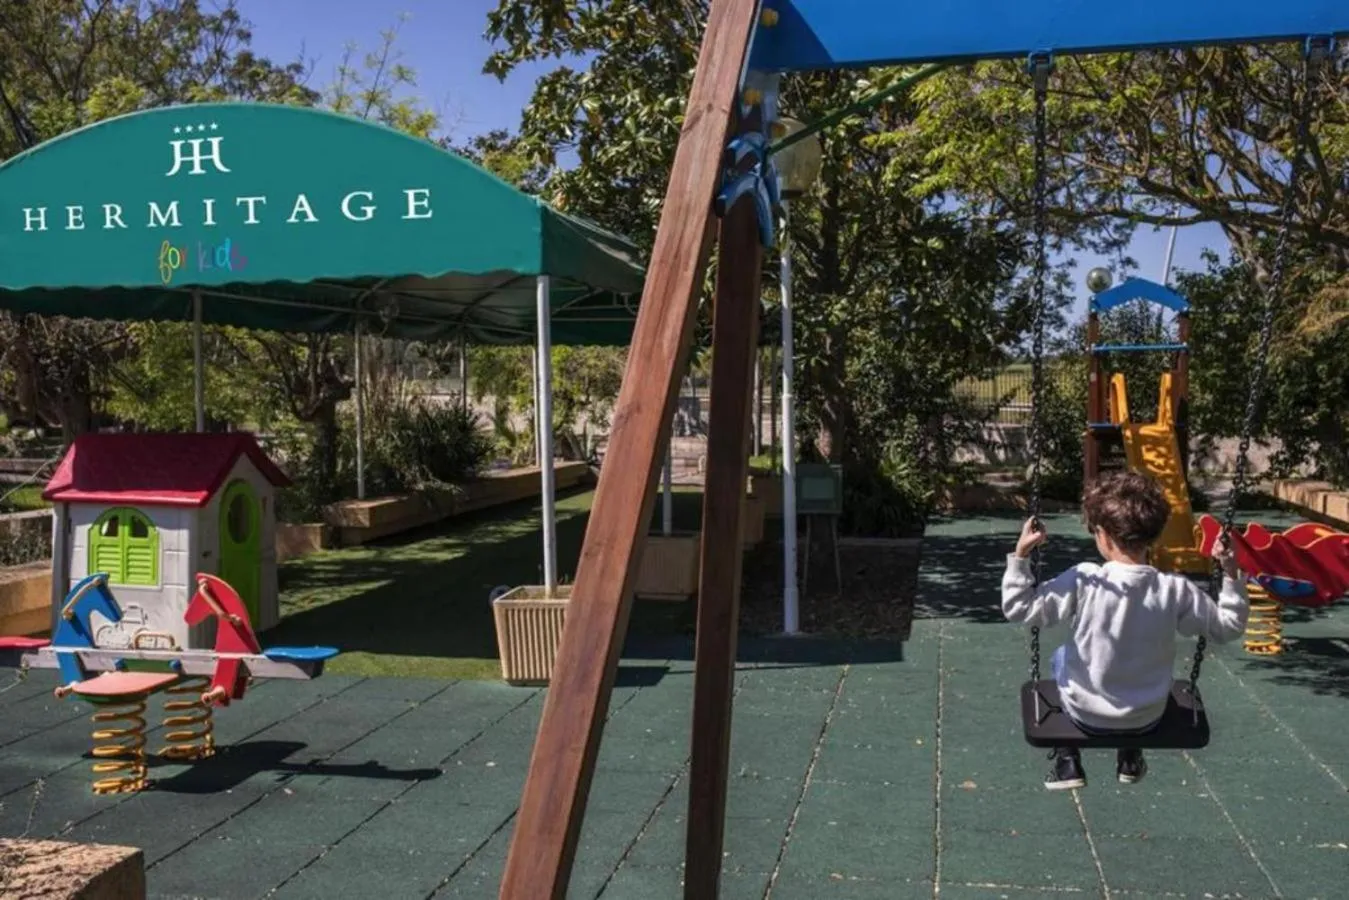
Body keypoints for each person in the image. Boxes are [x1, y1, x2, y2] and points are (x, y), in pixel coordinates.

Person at [1002, 470, 1248, 790]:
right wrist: (1230, 573)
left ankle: (1068, 759)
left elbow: (1019, 609)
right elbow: (1229, 627)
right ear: (1154, 535)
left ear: (1102, 535)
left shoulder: (1085, 578)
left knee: (1062, 657)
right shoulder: (1173, 589)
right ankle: (1130, 756)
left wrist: (1021, 557)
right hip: (1147, 717)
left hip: (1084, 715)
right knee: (1140, 666)